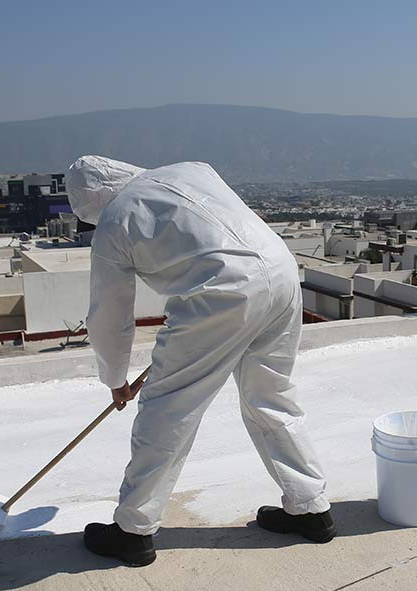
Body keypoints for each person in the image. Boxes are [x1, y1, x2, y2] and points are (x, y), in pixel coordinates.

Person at [65, 156, 333, 566]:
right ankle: (311, 508)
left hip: (220, 294)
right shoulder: (193, 169)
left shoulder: (115, 219)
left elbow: (110, 314)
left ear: (92, 203)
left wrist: (115, 377)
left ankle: (133, 531)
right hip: (280, 273)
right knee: (272, 396)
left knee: (168, 409)